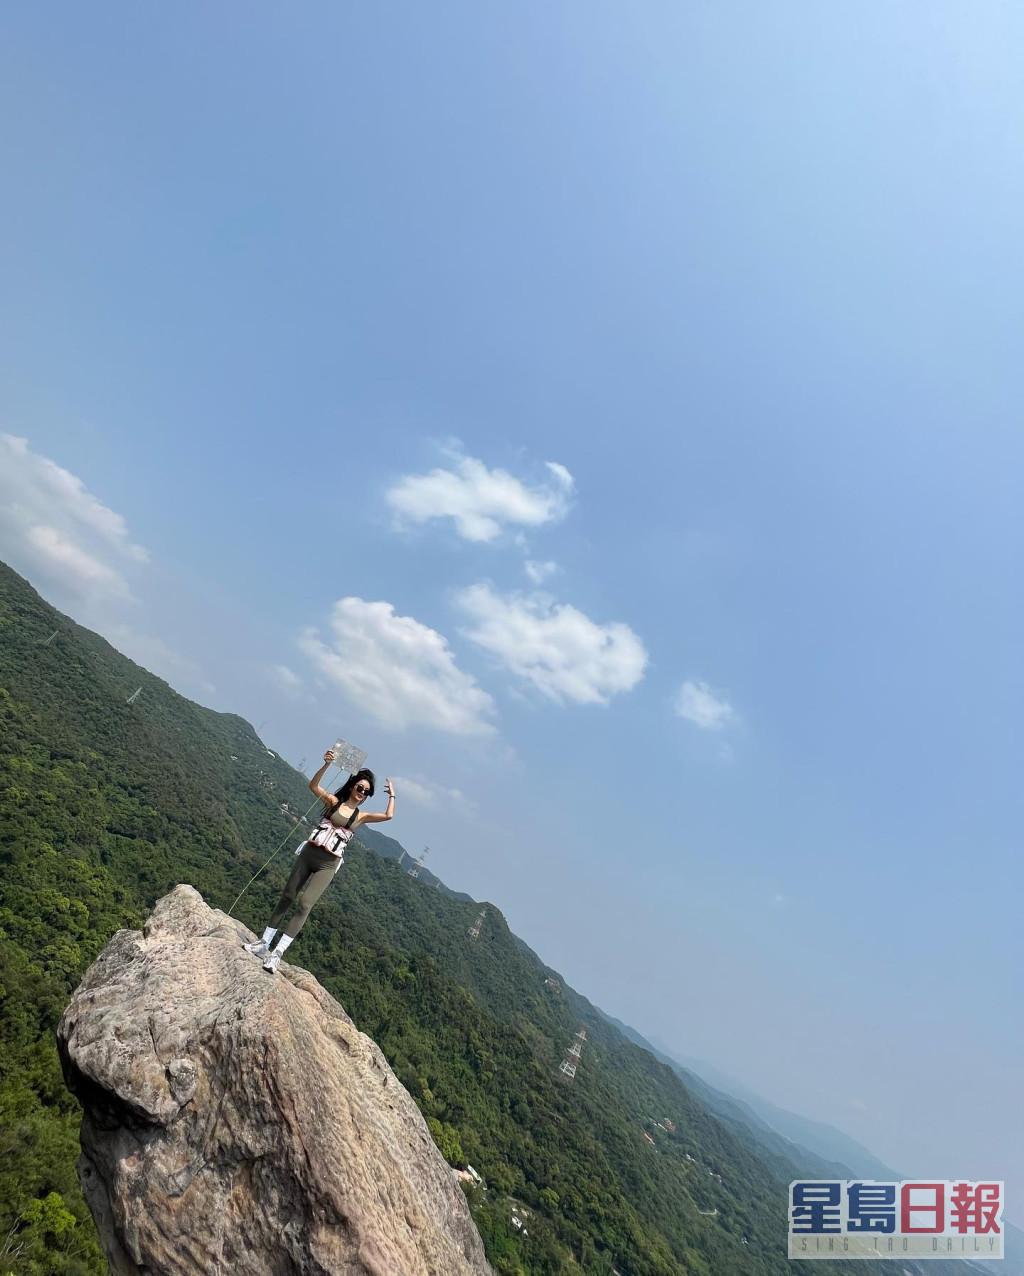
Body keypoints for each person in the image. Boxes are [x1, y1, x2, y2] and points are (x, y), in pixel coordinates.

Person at [244, 749, 395, 973]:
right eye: (360, 788)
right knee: (287, 896)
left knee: (305, 905)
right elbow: (313, 786)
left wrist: (392, 795)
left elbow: (388, 816)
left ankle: (277, 953)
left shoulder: (361, 817)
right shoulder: (333, 802)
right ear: (352, 785)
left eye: (367, 792)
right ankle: (264, 943)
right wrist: (326, 765)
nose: (362, 793)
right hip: (309, 854)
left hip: (328, 864)